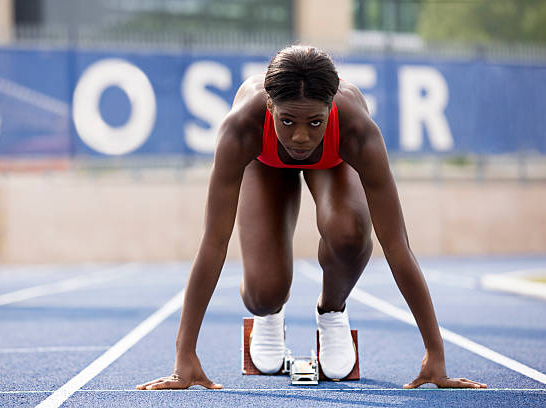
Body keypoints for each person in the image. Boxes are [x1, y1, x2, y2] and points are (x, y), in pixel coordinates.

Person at [136, 45, 487, 390]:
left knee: (349, 232)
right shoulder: (241, 128)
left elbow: (397, 245)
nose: (300, 137)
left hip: (333, 162)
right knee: (264, 292)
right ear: (270, 105)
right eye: (287, 121)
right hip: (265, 163)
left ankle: (332, 311)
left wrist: (434, 354)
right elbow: (213, 242)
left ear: (331, 107)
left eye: (315, 122)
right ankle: (269, 313)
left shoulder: (357, 131)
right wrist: (184, 356)